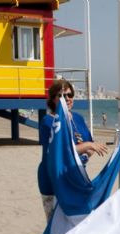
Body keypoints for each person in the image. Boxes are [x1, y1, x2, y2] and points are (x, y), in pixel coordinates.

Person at [37, 79, 108, 220]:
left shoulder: (78, 118)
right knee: (55, 224)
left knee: (75, 222)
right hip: (53, 179)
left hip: (75, 177)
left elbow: (90, 147)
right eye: (62, 96)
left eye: (70, 95)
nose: (67, 99)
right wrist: (86, 146)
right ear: (53, 99)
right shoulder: (49, 122)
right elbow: (60, 151)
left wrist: (86, 150)